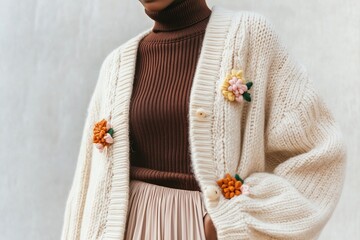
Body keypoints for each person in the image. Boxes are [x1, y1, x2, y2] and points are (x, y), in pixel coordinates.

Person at [61, 0, 347, 239]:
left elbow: (319, 151)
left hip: (204, 229)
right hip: (130, 227)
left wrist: (242, 218)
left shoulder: (248, 37)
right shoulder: (117, 64)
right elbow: (88, 184)